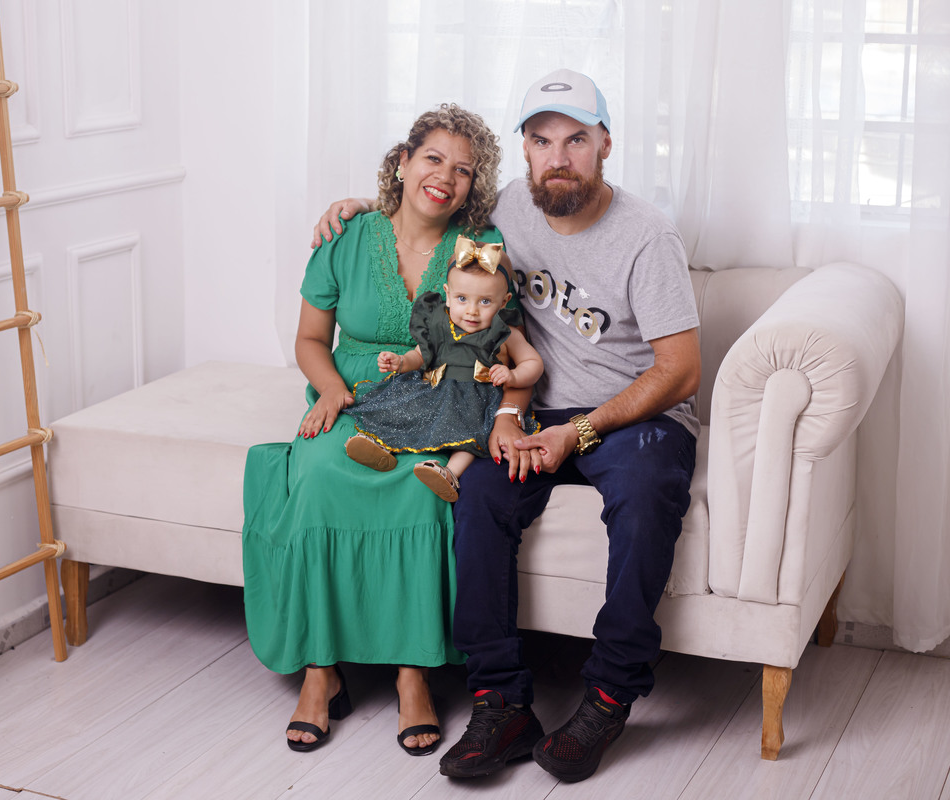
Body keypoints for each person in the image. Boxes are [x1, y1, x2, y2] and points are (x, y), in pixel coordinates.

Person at [310, 68, 701, 783]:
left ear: (605, 144)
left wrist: (579, 433)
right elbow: (429, 204)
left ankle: (610, 694)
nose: (559, 157)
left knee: (646, 498)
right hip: (532, 411)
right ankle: (501, 703)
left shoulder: (647, 236)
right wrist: (360, 205)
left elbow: (680, 370)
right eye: (542, 140)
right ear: (524, 150)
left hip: (633, 418)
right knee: (478, 499)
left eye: (576, 139)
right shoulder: (512, 208)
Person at [242, 103, 509, 757]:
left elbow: (496, 337)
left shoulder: (480, 245)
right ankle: (320, 670)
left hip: (437, 398)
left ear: (473, 187)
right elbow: (310, 339)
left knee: (423, 487)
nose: (445, 177)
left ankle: (412, 673)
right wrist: (333, 392)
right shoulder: (346, 234)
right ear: (403, 162)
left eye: (463, 170)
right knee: (316, 475)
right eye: (433, 159)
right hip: (351, 392)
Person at [344, 236, 543, 502]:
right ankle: (380, 448)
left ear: (504, 301)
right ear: (448, 294)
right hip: (435, 387)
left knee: (474, 434)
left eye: (485, 302)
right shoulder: (439, 322)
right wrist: (402, 362)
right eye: (462, 298)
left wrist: (514, 375)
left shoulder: (506, 333)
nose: (472, 311)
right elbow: (420, 355)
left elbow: (534, 364)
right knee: (405, 410)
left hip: (478, 399)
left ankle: (449, 473)